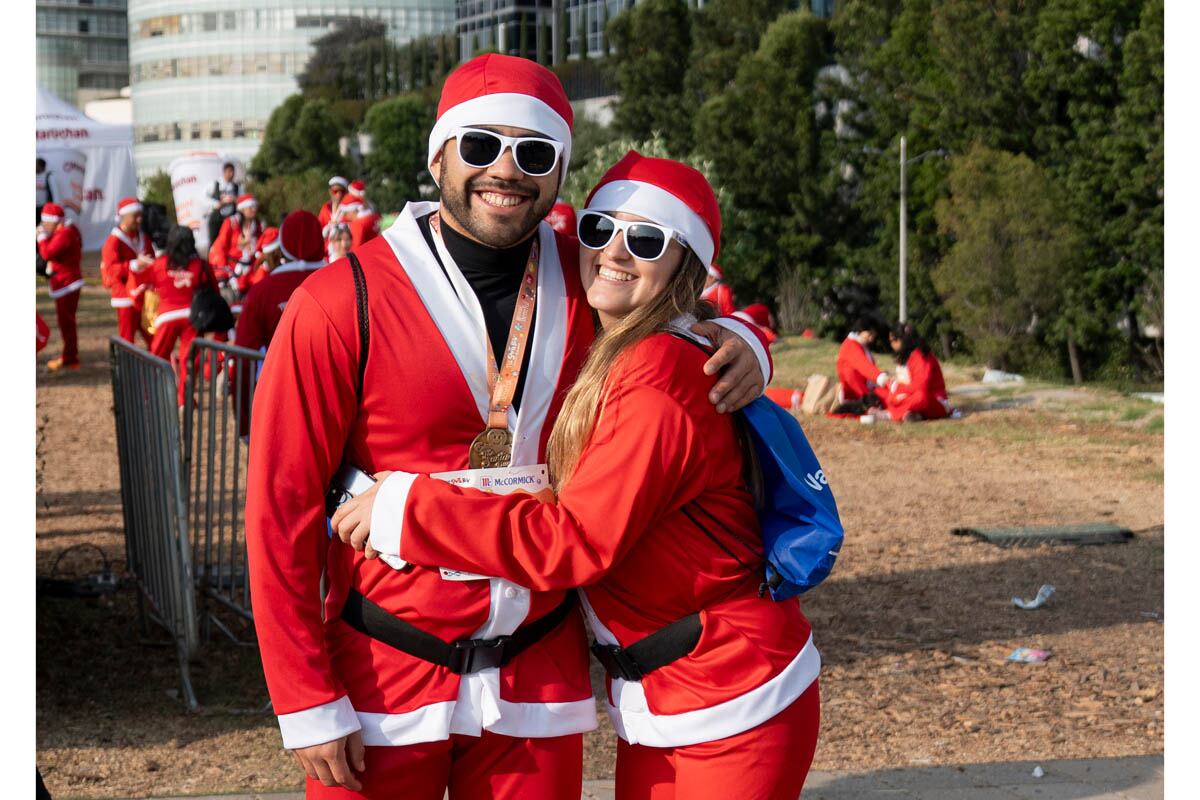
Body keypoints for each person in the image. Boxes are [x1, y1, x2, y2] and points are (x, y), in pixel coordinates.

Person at [244, 53, 773, 800]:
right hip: (382, 675)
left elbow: (677, 309)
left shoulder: (592, 279)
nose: (506, 170)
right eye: (481, 144)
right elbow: (280, 508)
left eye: (534, 153)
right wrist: (303, 696)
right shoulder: (338, 301)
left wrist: (745, 340)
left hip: (537, 681)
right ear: (438, 156)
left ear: (560, 172)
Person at [333, 152, 821, 800]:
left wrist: (408, 509)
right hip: (670, 692)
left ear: (687, 265)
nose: (614, 251)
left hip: (732, 692)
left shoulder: (658, 379)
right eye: (598, 229)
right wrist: (741, 335)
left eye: (646, 240)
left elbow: (575, 542)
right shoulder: (617, 341)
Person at [133, 225, 216, 390]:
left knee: (157, 357)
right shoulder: (200, 264)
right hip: (192, 316)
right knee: (190, 360)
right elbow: (213, 289)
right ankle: (184, 397)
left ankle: (151, 393)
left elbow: (142, 282)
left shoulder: (160, 264)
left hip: (166, 316)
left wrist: (137, 266)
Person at [101, 197, 156, 345]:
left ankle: (157, 360)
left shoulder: (143, 237)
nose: (139, 220)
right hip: (124, 295)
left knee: (153, 335)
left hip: (144, 294)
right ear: (123, 217)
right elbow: (111, 269)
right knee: (127, 339)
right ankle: (127, 362)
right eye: (135, 216)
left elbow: (152, 258)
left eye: (140, 216)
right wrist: (135, 265)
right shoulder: (113, 241)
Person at [37, 203, 84, 371]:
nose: (43, 226)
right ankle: (69, 355)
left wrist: (41, 238)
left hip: (67, 283)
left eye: (45, 223)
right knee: (66, 322)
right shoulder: (67, 231)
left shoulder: (65, 233)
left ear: (53, 221)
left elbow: (47, 253)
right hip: (66, 282)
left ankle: (70, 357)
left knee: (67, 322)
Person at [883, 322, 952, 422]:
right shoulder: (908, 356)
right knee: (887, 395)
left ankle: (891, 414)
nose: (891, 344)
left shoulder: (921, 357)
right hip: (911, 396)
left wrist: (897, 387)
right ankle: (912, 414)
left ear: (902, 340)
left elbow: (920, 387)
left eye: (893, 341)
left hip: (934, 400)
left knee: (920, 397)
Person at [208, 194, 262, 284]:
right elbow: (219, 248)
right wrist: (222, 274)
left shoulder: (256, 224)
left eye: (255, 206)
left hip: (251, 271)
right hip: (232, 271)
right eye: (251, 207)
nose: (254, 209)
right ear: (242, 209)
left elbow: (261, 246)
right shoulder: (231, 223)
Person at [835, 317, 888, 408]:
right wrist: (881, 377)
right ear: (860, 330)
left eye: (873, 335)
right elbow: (864, 367)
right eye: (870, 334)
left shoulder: (859, 345)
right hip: (855, 392)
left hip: (863, 388)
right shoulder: (851, 346)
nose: (871, 339)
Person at [207, 161, 240, 246]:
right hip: (216, 219)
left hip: (231, 219)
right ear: (224, 172)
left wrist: (235, 200)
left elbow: (242, 201)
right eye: (229, 171)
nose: (231, 174)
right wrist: (217, 203)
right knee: (215, 243)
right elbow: (203, 197)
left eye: (232, 172)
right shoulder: (215, 184)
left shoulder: (237, 187)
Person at [319, 175, 350, 242]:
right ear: (330, 192)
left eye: (342, 191)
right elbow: (318, 229)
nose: (338, 195)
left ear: (346, 192)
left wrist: (340, 226)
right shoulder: (325, 208)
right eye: (335, 191)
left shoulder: (350, 209)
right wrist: (326, 230)